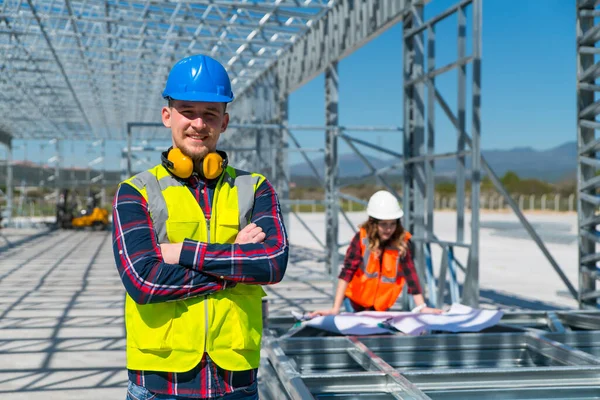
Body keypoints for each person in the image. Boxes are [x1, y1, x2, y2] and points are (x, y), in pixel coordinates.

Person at [112, 54, 289, 400]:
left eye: (210, 113)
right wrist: (235, 264)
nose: (198, 123)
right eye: (187, 111)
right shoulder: (136, 191)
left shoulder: (254, 188)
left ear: (224, 122)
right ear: (167, 116)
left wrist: (182, 253)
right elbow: (144, 281)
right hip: (160, 384)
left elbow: (272, 263)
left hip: (235, 381)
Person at [309, 190, 442, 317]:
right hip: (355, 303)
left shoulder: (402, 243)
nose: (389, 229)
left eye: (392, 224)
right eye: (383, 224)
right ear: (373, 223)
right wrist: (335, 308)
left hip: (381, 306)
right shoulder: (361, 240)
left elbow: (411, 275)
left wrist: (422, 306)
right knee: (360, 336)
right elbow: (346, 273)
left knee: (377, 339)